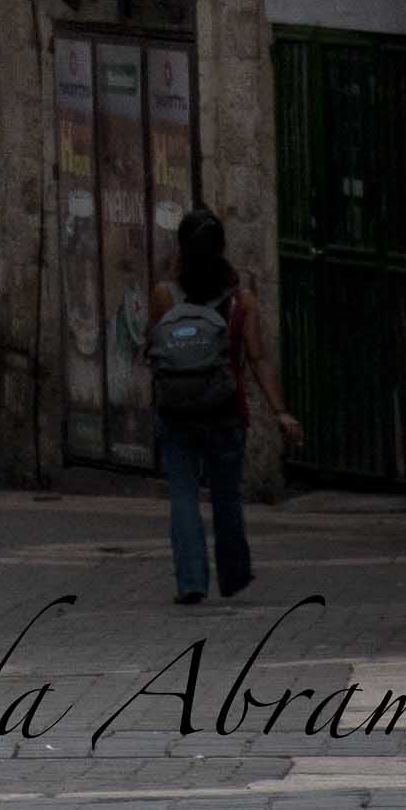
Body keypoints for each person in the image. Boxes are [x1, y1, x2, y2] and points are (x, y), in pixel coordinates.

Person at [147, 203, 296, 606]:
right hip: (226, 411)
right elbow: (259, 356)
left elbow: (153, 346)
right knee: (226, 496)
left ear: (181, 249)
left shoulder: (165, 295)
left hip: (176, 410)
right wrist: (280, 411)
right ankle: (233, 576)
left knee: (182, 494)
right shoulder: (240, 300)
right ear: (222, 249)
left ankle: (192, 582)